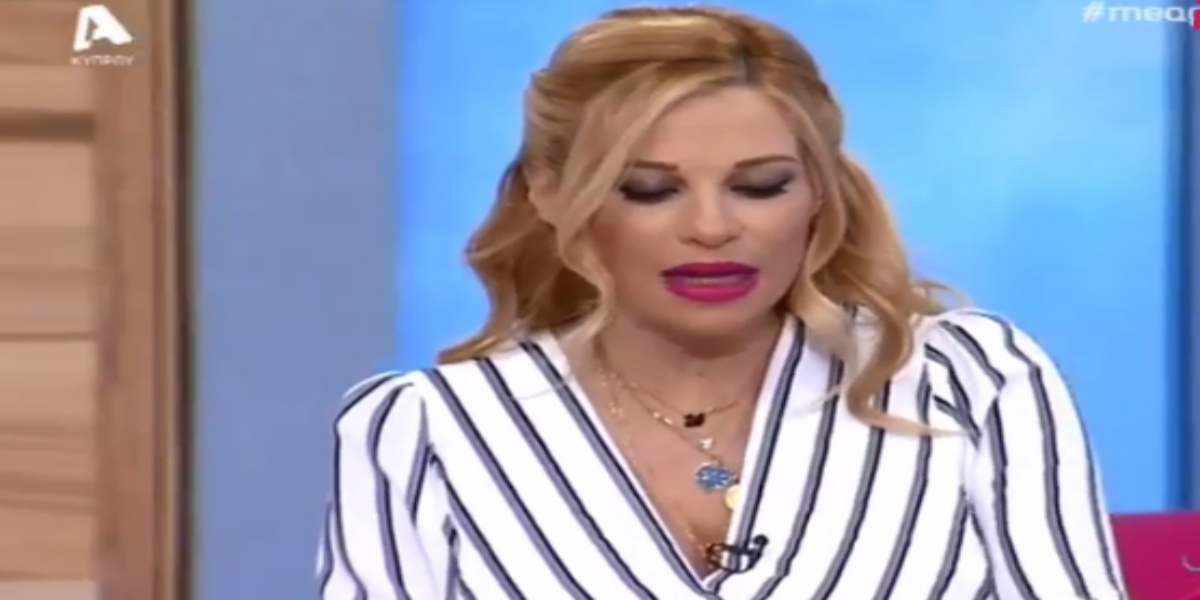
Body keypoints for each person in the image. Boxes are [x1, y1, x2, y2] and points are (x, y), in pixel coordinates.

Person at [317, 6, 1127, 599]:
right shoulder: (422, 432)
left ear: (819, 193)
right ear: (552, 192)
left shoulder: (970, 381)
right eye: (649, 189)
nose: (711, 228)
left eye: (760, 186)